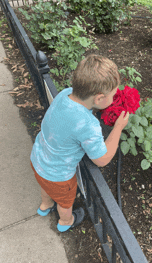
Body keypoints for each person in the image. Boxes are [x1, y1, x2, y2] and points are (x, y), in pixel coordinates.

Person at [30, 54, 129, 232]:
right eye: (113, 96)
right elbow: (103, 159)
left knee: (45, 185)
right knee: (65, 201)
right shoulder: (88, 126)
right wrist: (118, 128)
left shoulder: (65, 93)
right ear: (99, 99)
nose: (114, 99)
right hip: (58, 175)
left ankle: (45, 206)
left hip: (38, 159)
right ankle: (65, 222)